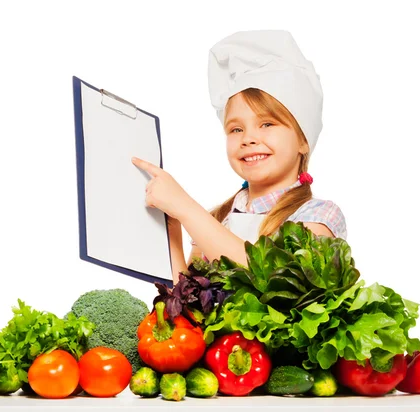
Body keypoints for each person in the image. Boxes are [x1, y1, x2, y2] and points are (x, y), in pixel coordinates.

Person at [131, 30, 347, 285]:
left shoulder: (319, 215)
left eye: (267, 124)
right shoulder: (216, 219)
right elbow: (185, 305)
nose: (248, 138)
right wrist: (172, 228)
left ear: (303, 141)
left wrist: (186, 208)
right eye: (236, 129)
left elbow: (273, 282)